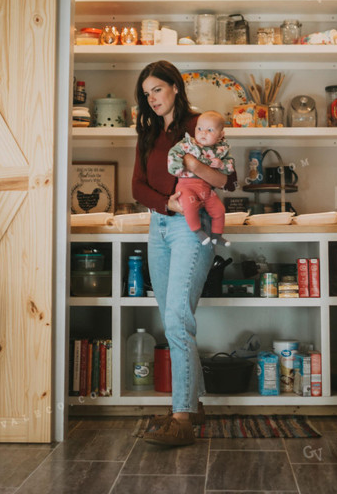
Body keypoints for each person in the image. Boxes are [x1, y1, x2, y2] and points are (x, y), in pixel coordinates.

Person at [131, 60, 238, 446]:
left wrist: (192, 164)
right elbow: (138, 188)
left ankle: (181, 419)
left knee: (177, 318)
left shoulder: (199, 126)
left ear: (175, 87)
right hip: (159, 225)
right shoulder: (146, 133)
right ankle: (191, 403)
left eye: (157, 89)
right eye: (146, 94)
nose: (152, 99)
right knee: (171, 316)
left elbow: (227, 178)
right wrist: (168, 205)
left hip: (191, 230)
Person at [167, 110, 235, 247]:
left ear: (221, 135)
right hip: (186, 186)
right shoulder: (189, 144)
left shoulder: (221, 150)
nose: (203, 133)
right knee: (189, 206)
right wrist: (176, 167)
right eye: (200, 129)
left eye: (210, 130)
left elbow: (230, 167)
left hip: (205, 188)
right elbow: (173, 153)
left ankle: (217, 235)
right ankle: (197, 231)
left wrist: (221, 164)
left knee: (219, 210)